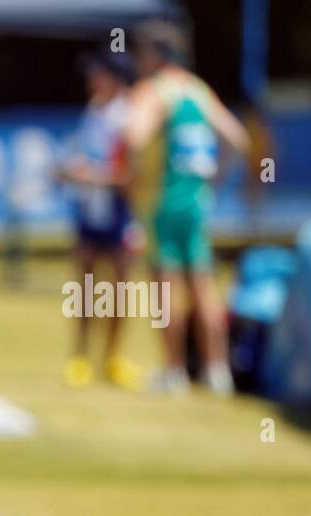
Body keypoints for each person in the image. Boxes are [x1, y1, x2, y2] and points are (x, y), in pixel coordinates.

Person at [124, 19, 249, 396]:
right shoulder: (197, 89)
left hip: (162, 201)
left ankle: (174, 371)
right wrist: (215, 178)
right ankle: (217, 370)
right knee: (203, 285)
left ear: (154, 54)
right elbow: (237, 139)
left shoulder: (153, 92)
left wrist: (134, 175)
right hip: (196, 201)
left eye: (141, 53)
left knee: (166, 287)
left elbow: (134, 137)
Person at [57, 50, 144, 390]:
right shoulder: (93, 111)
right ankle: (80, 358)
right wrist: (69, 171)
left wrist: (92, 175)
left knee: (119, 289)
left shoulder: (130, 117)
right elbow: (81, 157)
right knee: (85, 288)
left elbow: (132, 174)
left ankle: (112, 358)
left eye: (98, 74)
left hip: (120, 212)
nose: (91, 81)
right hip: (90, 210)